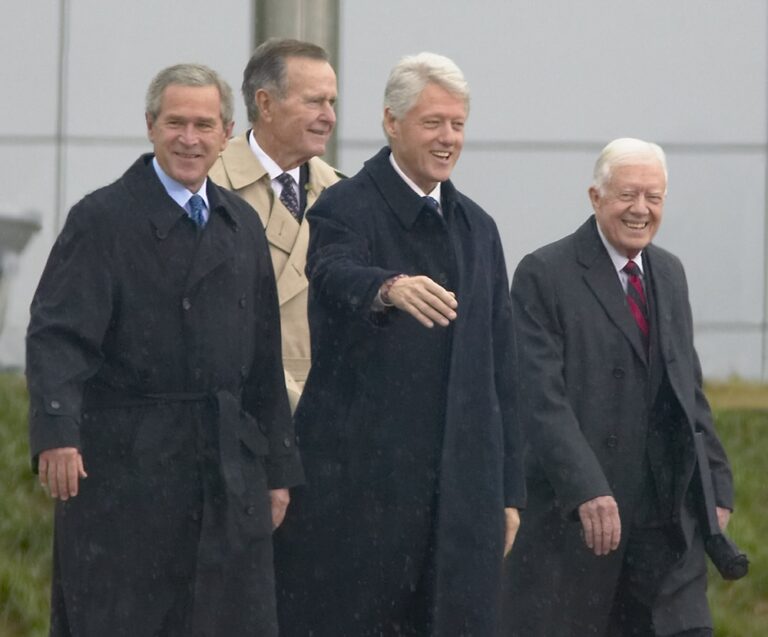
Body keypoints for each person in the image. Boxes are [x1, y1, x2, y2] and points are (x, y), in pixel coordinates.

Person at [26, 63, 303, 637]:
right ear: (151, 126)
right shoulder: (101, 219)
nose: (189, 139)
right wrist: (57, 433)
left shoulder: (241, 224)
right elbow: (57, 335)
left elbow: (262, 361)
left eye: (204, 125)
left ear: (227, 133)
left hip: (226, 474)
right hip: (127, 472)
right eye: (176, 123)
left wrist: (277, 469)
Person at [273, 52, 525, 637]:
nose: (448, 138)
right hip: (359, 499)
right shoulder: (344, 206)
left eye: (457, 124)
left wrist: (509, 492)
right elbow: (331, 270)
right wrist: (387, 288)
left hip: (461, 503)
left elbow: (503, 372)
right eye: (432, 122)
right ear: (391, 121)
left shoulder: (478, 228)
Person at [503, 138, 734, 636]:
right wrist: (587, 488)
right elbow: (540, 401)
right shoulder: (544, 273)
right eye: (628, 194)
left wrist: (716, 484)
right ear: (596, 197)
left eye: (654, 197)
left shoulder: (669, 273)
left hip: (660, 524)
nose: (640, 209)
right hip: (578, 524)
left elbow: (688, 390)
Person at [209, 38, 342, 412]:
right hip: (234, 408)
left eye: (332, 103)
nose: (329, 117)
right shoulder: (208, 187)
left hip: (324, 414)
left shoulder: (342, 194)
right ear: (265, 104)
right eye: (314, 102)